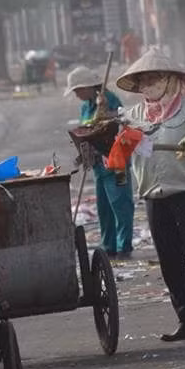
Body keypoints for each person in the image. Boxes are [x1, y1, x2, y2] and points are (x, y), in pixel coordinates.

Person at [117, 47, 185, 341]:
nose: (148, 85)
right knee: (170, 262)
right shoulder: (133, 116)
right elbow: (119, 148)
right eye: (143, 81)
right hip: (154, 196)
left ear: (169, 80)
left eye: (154, 79)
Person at [65, 65, 135, 259]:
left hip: (117, 162)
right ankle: (109, 245)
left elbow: (123, 119)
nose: (76, 94)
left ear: (88, 86)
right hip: (98, 164)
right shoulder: (86, 106)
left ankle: (124, 246)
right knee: (104, 207)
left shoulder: (109, 100)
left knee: (121, 204)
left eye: (78, 90)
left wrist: (106, 113)